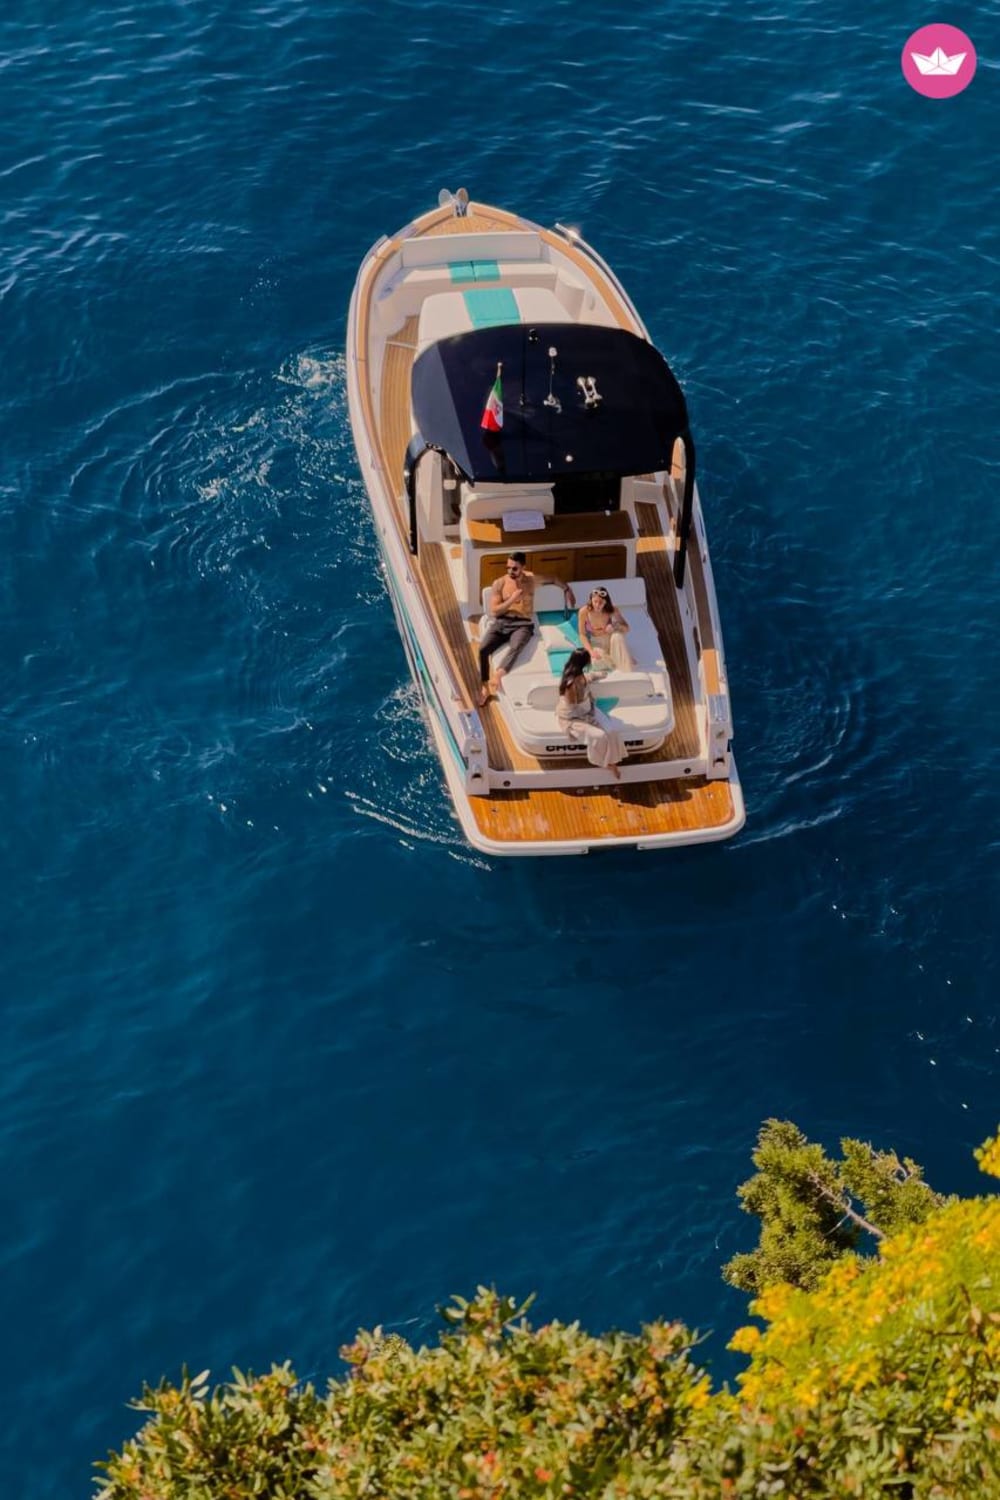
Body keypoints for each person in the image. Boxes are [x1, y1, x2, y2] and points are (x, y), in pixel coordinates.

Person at [477, 552, 575, 706]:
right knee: (483, 649)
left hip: (523, 624)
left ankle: (498, 675)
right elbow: (494, 610)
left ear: (523, 567)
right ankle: (484, 686)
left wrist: (567, 589)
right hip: (502, 621)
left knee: (516, 647)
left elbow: (553, 578)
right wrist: (511, 600)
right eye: (508, 568)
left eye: (515, 569)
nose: (510, 572)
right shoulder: (500, 583)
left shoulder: (531, 580)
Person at [556, 648, 627, 779]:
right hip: (573, 717)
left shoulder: (580, 675)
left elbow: (588, 678)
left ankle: (612, 760)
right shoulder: (571, 685)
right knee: (599, 736)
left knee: (611, 731)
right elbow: (574, 709)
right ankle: (604, 763)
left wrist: (601, 674)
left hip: (588, 709)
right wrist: (592, 721)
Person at [578, 586, 635, 672]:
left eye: (601, 602)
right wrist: (590, 651)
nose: (597, 605)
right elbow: (582, 634)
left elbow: (627, 628)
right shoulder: (584, 611)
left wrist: (615, 626)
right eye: (595, 601)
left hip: (611, 639)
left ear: (605, 602)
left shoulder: (612, 610)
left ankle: (620, 659)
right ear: (591, 600)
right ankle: (616, 657)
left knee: (617, 636)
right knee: (596, 663)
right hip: (597, 642)